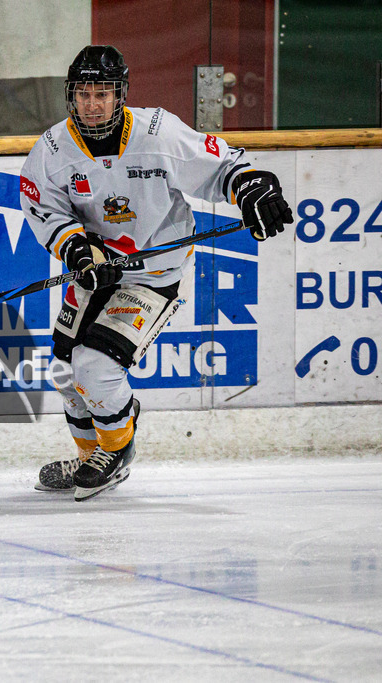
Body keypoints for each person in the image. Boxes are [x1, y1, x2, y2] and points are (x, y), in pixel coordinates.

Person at [20, 45, 292, 501]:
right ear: (71, 95)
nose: (92, 104)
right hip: (95, 272)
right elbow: (44, 207)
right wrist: (78, 251)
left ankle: (116, 451)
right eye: (84, 93)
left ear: (120, 94)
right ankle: (89, 456)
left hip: (152, 276)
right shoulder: (52, 149)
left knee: (96, 367)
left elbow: (222, 168)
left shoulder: (157, 132)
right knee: (65, 372)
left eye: (102, 93)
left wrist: (249, 186)